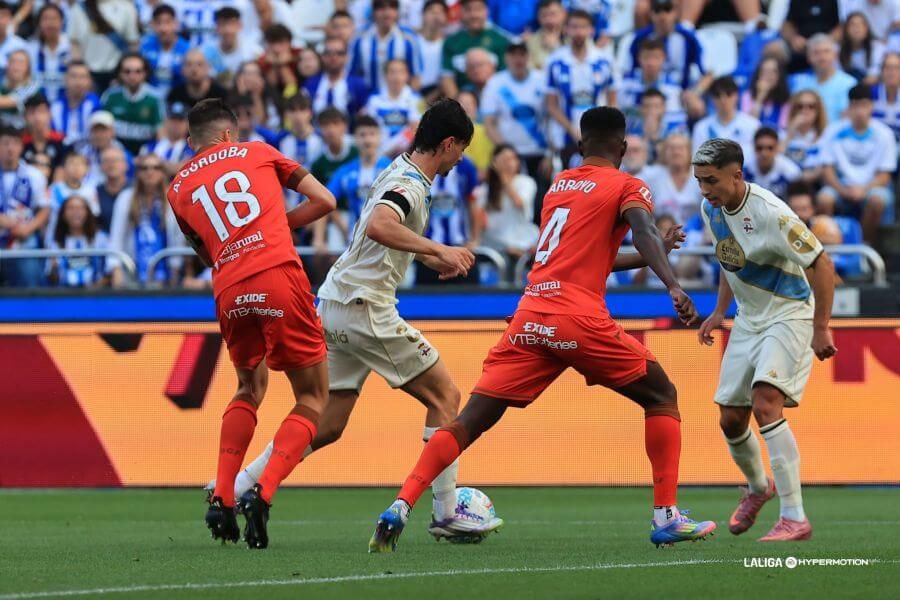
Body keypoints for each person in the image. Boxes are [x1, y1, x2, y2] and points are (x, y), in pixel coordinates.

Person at [368, 106, 715, 552]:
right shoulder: (629, 185)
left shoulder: (559, 187)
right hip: (578, 317)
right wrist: (671, 282)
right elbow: (643, 228)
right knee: (661, 394)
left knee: (469, 420)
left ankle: (400, 505)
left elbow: (590, 256)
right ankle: (667, 516)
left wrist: (653, 252)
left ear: (579, 146)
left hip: (531, 316)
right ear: (624, 148)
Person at [216, 100, 480, 544]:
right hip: (365, 307)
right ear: (449, 143)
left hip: (334, 302)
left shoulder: (398, 168)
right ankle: (446, 511)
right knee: (446, 395)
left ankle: (241, 486)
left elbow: (378, 234)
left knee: (328, 422)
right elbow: (379, 224)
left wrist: (418, 254)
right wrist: (438, 250)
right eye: (461, 150)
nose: (460, 159)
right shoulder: (411, 183)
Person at [167, 98, 336, 549]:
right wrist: (278, 226)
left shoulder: (178, 187)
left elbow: (205, 253)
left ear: (191, 141)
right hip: (278, 273)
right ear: (228, 135)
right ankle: (263, 493)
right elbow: (325, 200)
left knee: (248, 388)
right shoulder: (259, 151)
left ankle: (222, 495)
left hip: (228, 288)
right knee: (314, 397)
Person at [693, 137, 837, 542]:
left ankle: (795, 517)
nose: (704, 190)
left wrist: (821, 327)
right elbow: (729, 257)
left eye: (711, 180)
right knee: (730, 417)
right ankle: (759, 487)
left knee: (765, 403)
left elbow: (822, 265)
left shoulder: (773, 213)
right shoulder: (712, 208)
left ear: (736, 176)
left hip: (789, 312)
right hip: (748, 319)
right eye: (699, 181)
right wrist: (721, 311)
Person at [817, 83, 897, 243]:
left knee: (877, 200)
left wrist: (863, 190)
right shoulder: (833, 131)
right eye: (855, 106)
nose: (860, 111)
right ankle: (828, 248)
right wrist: (844, 190)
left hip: (871, 187)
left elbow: (885, 176)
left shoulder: (885, 134)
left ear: (871, 107)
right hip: (841, 186)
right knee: (824, 199)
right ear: (848, 107)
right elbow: (827, 170)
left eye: (864, 105)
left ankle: (864, 247)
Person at [546, 9, 616, 162]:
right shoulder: (556, 61)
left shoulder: (604, 60)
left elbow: (612, 100)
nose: (578, 32)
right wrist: (571, 128)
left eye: (583, 27)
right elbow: (551, 104)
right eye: (574, 27)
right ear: (566, 29)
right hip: (565, 137)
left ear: (591, 30)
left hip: (598, 136)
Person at [318, 115, 391, 250]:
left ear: (380, 137)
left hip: (386, 246)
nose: (367, 140)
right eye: (362, 135)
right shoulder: (345, 172)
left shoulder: (392, 169)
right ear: (355, 139)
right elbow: (323, 200)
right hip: (354, 245)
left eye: (372, 134)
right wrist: (318, 239)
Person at [481, 39, 549, 185]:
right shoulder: (495, 83)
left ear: (528, 56)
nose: (518, 59)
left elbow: (551, 117)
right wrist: (506, 151)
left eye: (522, 54)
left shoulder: (542, 80)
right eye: (513, 55)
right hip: (511, 155)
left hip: (540, 153)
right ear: (506, 57)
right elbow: (489, 123)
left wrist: (550, 154)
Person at [0, 123, 49, 287]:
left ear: (21, 146)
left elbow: (45, 208)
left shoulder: (34, 175)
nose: (10, 149)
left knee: (31, 278)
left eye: (14, 143)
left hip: (23, 242)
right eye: (5, 143)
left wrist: (29, 227)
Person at [473, 144, 540, 262]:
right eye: (505, 159)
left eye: (513, 158)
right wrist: (476, 239)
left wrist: (503, 178)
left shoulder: (526, 182)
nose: (510, 163)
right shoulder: (486, 188)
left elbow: (519, 203)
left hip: (522, 240)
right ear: (495, 162)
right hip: (495, 242)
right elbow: (478, 213)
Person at [627, 0, 711, 94]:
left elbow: (708, 75)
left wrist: (694, 93)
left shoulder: (688, 38)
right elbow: (631, 71)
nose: (662, 16)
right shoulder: (640, 38)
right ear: (651, 14)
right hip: (647, 96)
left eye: (667, 9)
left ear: (676, 12)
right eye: (657, 10)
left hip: (681, 96)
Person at [349, 0, 422, 95]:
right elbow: (352, 74)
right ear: (373, 11)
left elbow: (415, 77)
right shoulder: (359, 38)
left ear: (397, 11)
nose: (387, 13)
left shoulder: (408, 38)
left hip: (399, 104)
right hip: (367, 102)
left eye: (392, 7)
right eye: (381, 7)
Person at [440, 0, 509, 98]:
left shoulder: (500, 40)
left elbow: (505, 77)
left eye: (478, 9)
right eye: (468, 9)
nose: (474, 15)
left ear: (486, 11)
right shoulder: (451, 42)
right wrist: (458, 107)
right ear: (461, 12)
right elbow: (447, 79)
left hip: (495, 99)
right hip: (462, 101)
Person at [67, 0, 140, 91]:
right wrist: (81, 76)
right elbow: (75, 45)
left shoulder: (126, 8)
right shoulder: (78, 9)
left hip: (116, 75)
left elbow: (132, 45)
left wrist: (124, 75)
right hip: (88, 75)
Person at [102, 53, 165, 155]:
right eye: (127, 71)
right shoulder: (110, 96)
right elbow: (102, 130)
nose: (132, 76)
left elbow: (161, 134)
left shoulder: (155, 98)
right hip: (115, 153)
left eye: (138, 71)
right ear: (120, 74)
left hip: (146, 154)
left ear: (145, 73)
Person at [46, 194, 114, 288]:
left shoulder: (101, 239)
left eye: (80, 208)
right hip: (64, 297)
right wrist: (54, 269)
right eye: (71, 208)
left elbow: (110, 272)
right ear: (63, 214)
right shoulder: (56, 242)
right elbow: (51, 278)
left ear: (88, 212)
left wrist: (96, 287)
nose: (76, 212)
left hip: (96, 297)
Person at [790, 34, 858, 123]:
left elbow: (848, 122)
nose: (822, 57)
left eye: (826, 51)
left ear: (835, 55)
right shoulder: (800, 84)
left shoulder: (849, 84)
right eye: (816, 52)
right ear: (808, 57)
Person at [692, 76, 760, 162]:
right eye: (718, 95)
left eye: (728, 94)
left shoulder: (752, 125)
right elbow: (698, 162)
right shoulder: (701, 127)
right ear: (712, 99)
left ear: (737, 96)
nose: (723, 100)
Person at [364, 59, 421, 157]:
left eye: (400, 72)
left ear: (407, 75)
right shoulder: (374, 99)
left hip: (407, 154)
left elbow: (415, 129)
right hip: (378, 151)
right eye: (392, 72)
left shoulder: (417, 99)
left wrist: (389, 149)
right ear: (385, 76)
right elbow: (370, 128)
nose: (396, 77)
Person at [643, 133, 704, 225]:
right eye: (671, 148)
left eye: (680, 148)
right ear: (664, 153)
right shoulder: (652, 176)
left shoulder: (701, 176)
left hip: (696, 235)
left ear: (689, 152)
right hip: (662, 234)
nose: (676, 152)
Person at [303, 36, 370, 119]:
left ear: (347, 57)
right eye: (329, 53)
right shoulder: (311, 84)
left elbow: (364, 114)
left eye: (339, 53)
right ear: (322, 57)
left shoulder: (358, 84)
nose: (334, 57)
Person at [202, 6, 263, 87]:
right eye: (223, 24)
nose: (227, 30)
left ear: (240, 26)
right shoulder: (204, 52)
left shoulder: (254, 52)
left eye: (231, 24)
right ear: (216, 27)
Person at [140, 3, 191, 99]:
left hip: (179, 98)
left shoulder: (188, 49)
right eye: (158, 23)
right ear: (152, 25)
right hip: (150, 98)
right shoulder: (144, 47)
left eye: (168, 22)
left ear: (176, 24)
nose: (163, 28)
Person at [781, 0, 841, 73]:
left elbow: (839, 26)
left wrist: (829, 40)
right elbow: (787, 24)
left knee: (828, 50)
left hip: (825, 40)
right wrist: (794, 38)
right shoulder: (796, 1)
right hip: (802, 44)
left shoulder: (831, 1)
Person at [49, 61, 100, 146]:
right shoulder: (55, 107)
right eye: (74, 76)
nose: (78, 82)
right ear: (65, 79)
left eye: (83, 77)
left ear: (89, 81)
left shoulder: (96, 105)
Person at [28, 3, 72, 101]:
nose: (50, 23)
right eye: (45, 19)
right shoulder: (31, 48)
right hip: (38, 104)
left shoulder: (72, 46)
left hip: (67, 104)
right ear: (39, 23)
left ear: (62, 22)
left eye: (54, 18)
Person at [743, 127, 801, 200]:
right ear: (753, 147)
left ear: (777, 148)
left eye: (770, 148)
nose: (764, 153)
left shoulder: (791, 172)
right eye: (759, 148)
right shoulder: (743, 168)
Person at [783, 90, 827, 180]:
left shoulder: (825, 135)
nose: (805, 110)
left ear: (818, 111)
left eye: (811, 106)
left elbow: (825, 166)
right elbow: (774, 158)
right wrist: (790, 132)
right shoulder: (784, 134)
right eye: (800, 106)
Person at [22, 93, 69, 176]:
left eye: (41, 111)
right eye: (32, 112)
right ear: (24, 117)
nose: (37, 117)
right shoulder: (19, 143)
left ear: (50, 114)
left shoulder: (62, 142)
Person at [142, 101, 193, 175]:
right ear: (165, 121)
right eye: (172, 120)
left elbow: (183, 170)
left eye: (180, 120)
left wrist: (156, 161)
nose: (176, 124)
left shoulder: (191, 149)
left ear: (188, 124)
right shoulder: (149, 146)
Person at [740, 56, 791, 129]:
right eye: (764, 71)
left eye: (773, 71)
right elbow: (748, 127)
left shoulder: (786, 102)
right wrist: (760, 97)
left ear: (779, 76)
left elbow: (783, 130)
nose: (768, 76)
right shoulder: (747, 96)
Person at [839, 11, 885, 86]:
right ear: (846, 29)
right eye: (853, 25)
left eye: (861, 25)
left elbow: (873, 78)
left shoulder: (878, 47)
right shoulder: (838, 50)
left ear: (867, 28)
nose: (857, 28)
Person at [0, 49, 40, 129]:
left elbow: (5, 102)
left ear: (27, 67)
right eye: (13, 62)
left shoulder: (32, 87)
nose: (16, 66)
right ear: (7, 65)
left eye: (21, 63)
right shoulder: (3, 83)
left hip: (23, 134)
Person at [96, 145, 130, 232]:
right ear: (101, 166)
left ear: (126, 165)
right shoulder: (95, 193)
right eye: (106, 161)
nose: (111, 165)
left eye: (115, 160)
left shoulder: (136, 191)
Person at [526, 0, 566, 71]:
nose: (549, 20)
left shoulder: (576, 37)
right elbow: (530, 73)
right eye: (544, 16)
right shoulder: (530, 42)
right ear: (538, 17)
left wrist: (556, 48)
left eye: (553, 14)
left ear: (564, 14)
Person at [418, 0, 448, 96]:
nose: (436, 16)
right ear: (423, 15)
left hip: (438, 94)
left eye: (440, 12)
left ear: (446, 17)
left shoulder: (448, 44)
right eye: (432, 12)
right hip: (413, 92)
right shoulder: (412, 41)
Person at [873, 52, 900, 142]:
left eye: (896, 68)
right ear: (881, 71)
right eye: (888, 68)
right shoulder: (870, 94)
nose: (892, 72)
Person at [0, 2, 29, 82]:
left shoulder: (20, 45)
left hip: (14, 92)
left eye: (3, 16)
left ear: (10, 18)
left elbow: (28, 77)